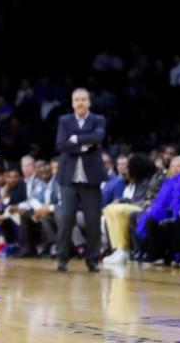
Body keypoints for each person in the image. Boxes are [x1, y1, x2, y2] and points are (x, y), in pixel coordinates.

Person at [55, 89, 106, 273]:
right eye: (76, 100)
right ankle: (62, 258)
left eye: (83, 99)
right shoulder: (64, 120)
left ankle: (92, 259)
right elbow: (61, 144)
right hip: (68, 178)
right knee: (66, 218)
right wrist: (86, 145)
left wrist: (76, 139)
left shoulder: (98, 120)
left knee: (93, 221)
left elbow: (98, 137)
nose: (80, 103)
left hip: (91, 179)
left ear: (89, 102)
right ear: (72, 102)